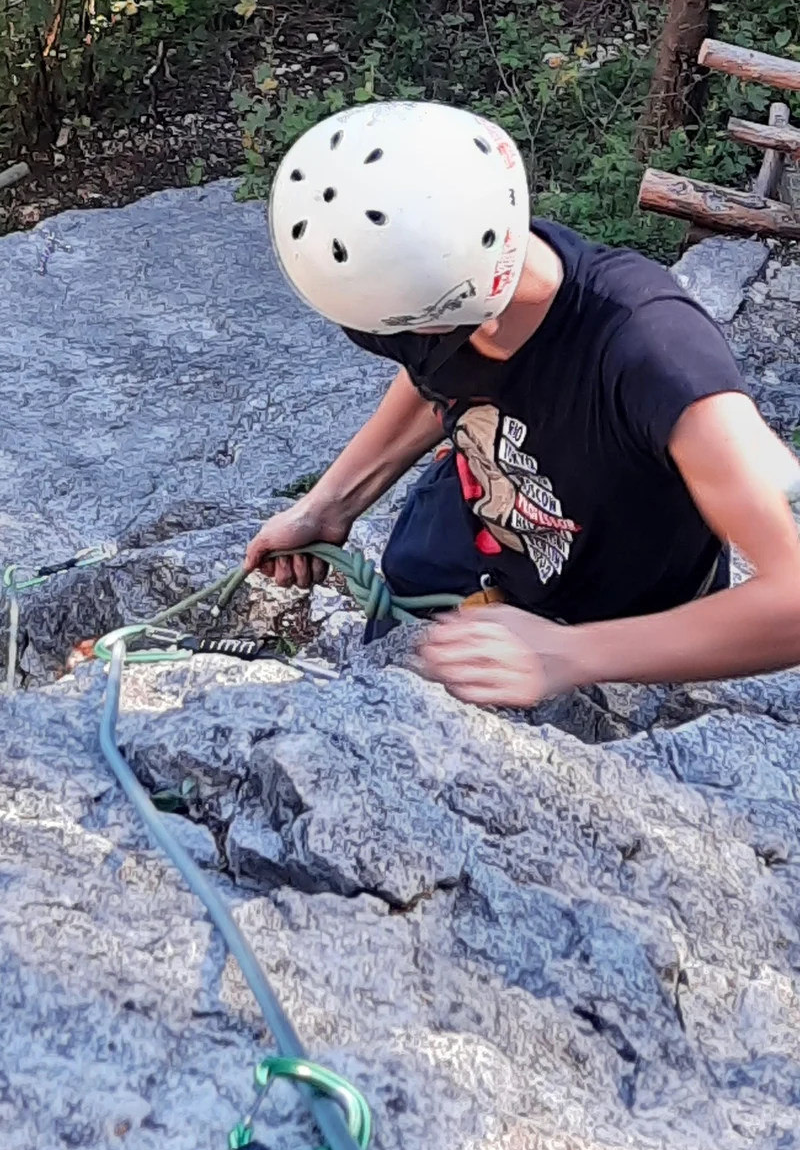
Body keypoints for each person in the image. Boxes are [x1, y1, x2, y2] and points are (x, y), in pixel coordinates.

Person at [247, 98, 800, 710]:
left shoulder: (655, 357)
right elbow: (436, 375)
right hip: (459, 548)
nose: (401, 347)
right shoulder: (440, 292)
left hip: (617, 616)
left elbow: (792, 603)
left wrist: (567, 656)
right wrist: (333, 502)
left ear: (440, 313)